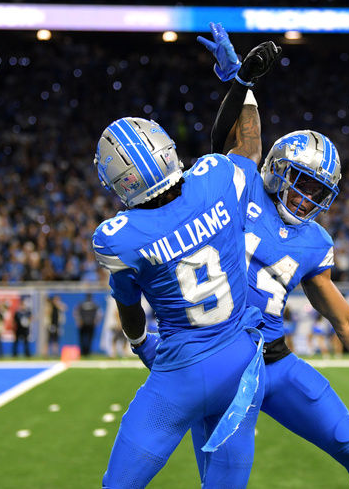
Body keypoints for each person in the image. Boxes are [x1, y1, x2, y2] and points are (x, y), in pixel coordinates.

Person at [138, 23, 349, 488]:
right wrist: (241, 81)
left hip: (277, 362)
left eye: (318, 191)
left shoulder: (314, 241)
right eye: (302, 182)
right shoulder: (239, 190)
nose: (307, 199)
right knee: (226, 483)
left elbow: (344, 321)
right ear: (277, 170)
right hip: (222, 365)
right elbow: (237, 142)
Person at [92, 39, 281, 488]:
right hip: (240, 361)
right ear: (167, 149)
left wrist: (141, 344)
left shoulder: (120, 239)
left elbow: (131, 308)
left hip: (180, 374)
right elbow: (248, 145)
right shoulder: (217, 178)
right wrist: (245, 85)